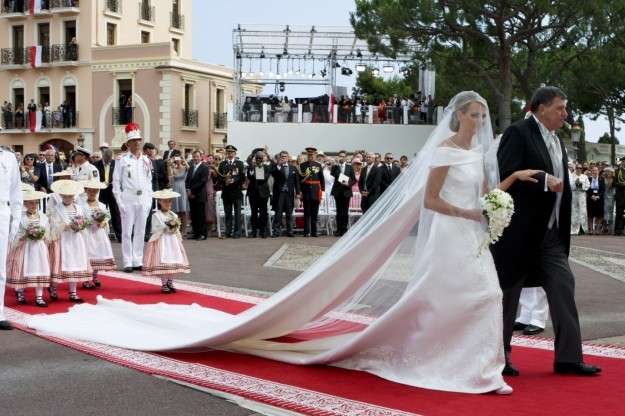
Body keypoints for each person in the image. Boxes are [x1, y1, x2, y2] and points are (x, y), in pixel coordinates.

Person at [493, 86, 601, 376]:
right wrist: (543, 179)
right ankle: (499, 358)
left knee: (563, 287)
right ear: (541, 108)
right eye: (560, 108)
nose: (565, 114)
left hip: (551, 234)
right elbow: (506, 176)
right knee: (508, 297)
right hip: (520, 233)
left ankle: (568, 358)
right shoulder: (518, 133)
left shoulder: (558, 141)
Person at [112, 123, 153, 273]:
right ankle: (128, 261)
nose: (137, 143)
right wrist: (119, 202)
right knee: (127, 231)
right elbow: (116, 182)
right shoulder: (122, 160)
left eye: (139, 140)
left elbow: (149, 183)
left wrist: (149, 201)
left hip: (142, 198)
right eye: (134, 140)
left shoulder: (146, 161)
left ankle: (137, 259)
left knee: (141, 231)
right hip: (128, 198)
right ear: (128, 143)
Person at [48, 179, 91, 303]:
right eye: (65, 196)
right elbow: (54, 224)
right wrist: (66, 226)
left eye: (70, 195)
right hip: (63, 240)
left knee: (75, 264)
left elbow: (83, 220)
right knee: (60, 264)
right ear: (61, 196)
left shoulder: (79, 207)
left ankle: (73, 292)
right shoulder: (57, 208)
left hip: (76, 239)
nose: (68, 198)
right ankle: (54, 288)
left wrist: (81, 225)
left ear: (73, 196)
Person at [6, 188, 50, 307]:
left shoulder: (43, 217)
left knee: (40, 269)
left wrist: (41, 234)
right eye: (31, 202)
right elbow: (15, 233)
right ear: (25, 204)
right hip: (24, 247)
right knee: (21, 269)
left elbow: (48, 233)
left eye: (36, 202)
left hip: (39, 247)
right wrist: (26, 235)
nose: (34, 205)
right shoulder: (20, 217)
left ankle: (39, 297)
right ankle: (20, 292)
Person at [142, 189, 190, 293]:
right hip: (163, 241)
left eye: (169, 201)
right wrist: (166, 226)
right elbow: (155, 229)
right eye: (165, 201)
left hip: (172, 241)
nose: (167, 203)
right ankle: (164, 283)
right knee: (164, 260)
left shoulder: (174, 215)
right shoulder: (156, 215)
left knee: (174, 259)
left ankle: (170, 281)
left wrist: (175, 227)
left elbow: (177, 228)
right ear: (160, 202)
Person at [1, 147, 25, 329]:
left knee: (0, 265)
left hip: (2, 210)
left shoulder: (9, 157)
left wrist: (16, 217)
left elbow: (16, 190)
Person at [80, 180, 116, 289]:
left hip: (99, 233)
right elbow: (80, 219)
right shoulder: (82, 205)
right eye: (90, 191)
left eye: (94, 191)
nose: (92, 193)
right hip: (88, 233)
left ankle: (95, 275)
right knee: (88, 255)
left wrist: (104, 222)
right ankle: (86, 279)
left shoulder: (102, 205)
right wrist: (90, 222)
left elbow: (107, 216)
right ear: (86, 191)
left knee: (99, 254)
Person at [217, 145, 245, 238]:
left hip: (236, 192)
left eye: (232, 152)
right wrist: (224, 181)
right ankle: (228, 231)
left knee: (237, 213)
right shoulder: (222, 164)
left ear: (235, 153)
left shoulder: (239, 163)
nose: (230, 154)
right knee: (228, 213)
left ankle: (237, 232)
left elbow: (242, 177)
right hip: (226, 192)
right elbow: (219, 177)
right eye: (228, 152)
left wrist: (234, 180)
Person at [271, 151, 301, 237]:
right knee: (278, 212)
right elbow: (273, 174)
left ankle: (290, 231)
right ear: (280, 157)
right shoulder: (276, 167)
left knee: (289, 212)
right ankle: (276, 231)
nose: (283, 158)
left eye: (285, 156)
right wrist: (279, 165)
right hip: (279, 193)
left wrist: (298, 192)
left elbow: (296, 182)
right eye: (282, 156)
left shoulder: (293, 168)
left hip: (289, 193)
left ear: (288, 158)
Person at [95, 148, 122, 242]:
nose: (109, 160)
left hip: (112, 190)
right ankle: (100, 236)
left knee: (115, 213)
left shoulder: (116, 164)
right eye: (107, 158)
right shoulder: (96, 165)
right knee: (101, 213)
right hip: (101, 191)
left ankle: (119, 235)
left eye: (110, 158)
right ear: (103, 157)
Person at [246, 149, 272, 238]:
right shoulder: (251, 167)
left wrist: (260, 167)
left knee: (263, 212)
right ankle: (254, 231)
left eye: (260, 158)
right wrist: (253, 167)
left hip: (263, 193)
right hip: (253, 193)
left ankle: (263, 230)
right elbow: (249, 177)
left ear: (263, 159)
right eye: (257, 158)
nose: (258, 160)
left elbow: (264, 178)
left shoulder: (266, 167)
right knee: (253, 212)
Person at [300, 147, 325, 237]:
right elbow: (301, 179)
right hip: (306, 191)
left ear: (315, 155)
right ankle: (306, 231)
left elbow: (321, 179)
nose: (311, 156)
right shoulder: (302, 165)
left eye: (312, 154)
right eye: (309, 154)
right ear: (307, 155)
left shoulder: (318, 165)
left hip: (316, 191)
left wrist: (323, 191)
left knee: (315, 212)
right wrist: (300, 192)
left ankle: (314, 232)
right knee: (306, 213)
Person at [330, 150, 356, 236]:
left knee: (345, 211)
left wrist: (347, 183)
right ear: (338, 157)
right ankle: (338, 229)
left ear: (346, 157)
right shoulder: (335, 167)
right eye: (340, 156)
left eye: (343, 156)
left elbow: (354, 180)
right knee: (338, 211)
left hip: (346, 192)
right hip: (337, 192)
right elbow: (334, 174)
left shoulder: (350, 167)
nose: (342, 157)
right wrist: (337, 166)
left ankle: (344, 230)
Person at [186, 150, 209, 240]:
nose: (195, 158)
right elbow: (187, 180)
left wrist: (192, 191)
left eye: (197, 156)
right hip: (191, 195)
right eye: (194, 156)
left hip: (199, 195)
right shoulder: (191, 168)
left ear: (201, 157)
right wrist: (188, 190)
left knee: (201, 216)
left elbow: (202, 182)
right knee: (194, 215)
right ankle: (195, 233)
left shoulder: (204, 168)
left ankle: (202, 234)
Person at [167, 155, 189, 236]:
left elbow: (188, 167)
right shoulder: (173, 168)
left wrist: (184, 159)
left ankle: (184, 230)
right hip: (175, 189)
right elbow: (170, 177)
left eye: (178, 159)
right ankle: (176, 228)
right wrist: (170, 164)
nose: (177, 160)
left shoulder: (184, 168)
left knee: (183, 211)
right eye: (176, 159)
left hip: (182, 190)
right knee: (175, 210)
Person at [570, 163, 590, 235]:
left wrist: (582, 186)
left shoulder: (585, 176)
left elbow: (588, 185)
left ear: (582, 169)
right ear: (575, 168)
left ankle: (583, 229)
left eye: (580, 168)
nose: (579, 169)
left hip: (582, 195)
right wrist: (575, 184)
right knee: (574, 212)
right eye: (577, 168)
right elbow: (570, 185)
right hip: (574, 195)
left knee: (583, 212)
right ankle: (574, 229)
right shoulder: (572, 176)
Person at [586, 166, 605, 235]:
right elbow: (587, 188)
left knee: (599, 215)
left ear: (598, 172)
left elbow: (603, 190)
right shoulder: (588, 179)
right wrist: (591, 196)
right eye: (593, 171)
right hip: (591, 199)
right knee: (590, 215)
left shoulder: (601, 179)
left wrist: (598, 196)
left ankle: (597, 230)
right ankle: (591, 229)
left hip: (599, 199)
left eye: (596, 171)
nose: (595, 172)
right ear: (591, 172)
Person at [204, 154, 218, 234]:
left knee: (210, 207)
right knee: (205, 208)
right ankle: (205, 226)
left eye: (211, 158)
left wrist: (213, 170)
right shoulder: (204, 166)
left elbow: (216, 177)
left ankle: (211, 226)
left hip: (210, 188)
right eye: (209, 158)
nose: (210, 159)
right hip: (203, 188)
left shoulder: (214, 167)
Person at [603, 168, 616, 234]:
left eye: (610, 172)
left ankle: (611, 228)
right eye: (607, 171)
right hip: (605, 197)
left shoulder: (614, 179)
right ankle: (605, 228)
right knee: (605, 212)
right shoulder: (603, 179)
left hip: (612, 197)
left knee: (611, 212)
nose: (608, 173)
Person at [615, 157, 625, 235]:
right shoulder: (617, 171)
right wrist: (621, 184)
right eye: (623, 161)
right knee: (619, 212)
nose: (624, 163)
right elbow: (614, 183)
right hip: (620, 195)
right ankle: (618, 230)